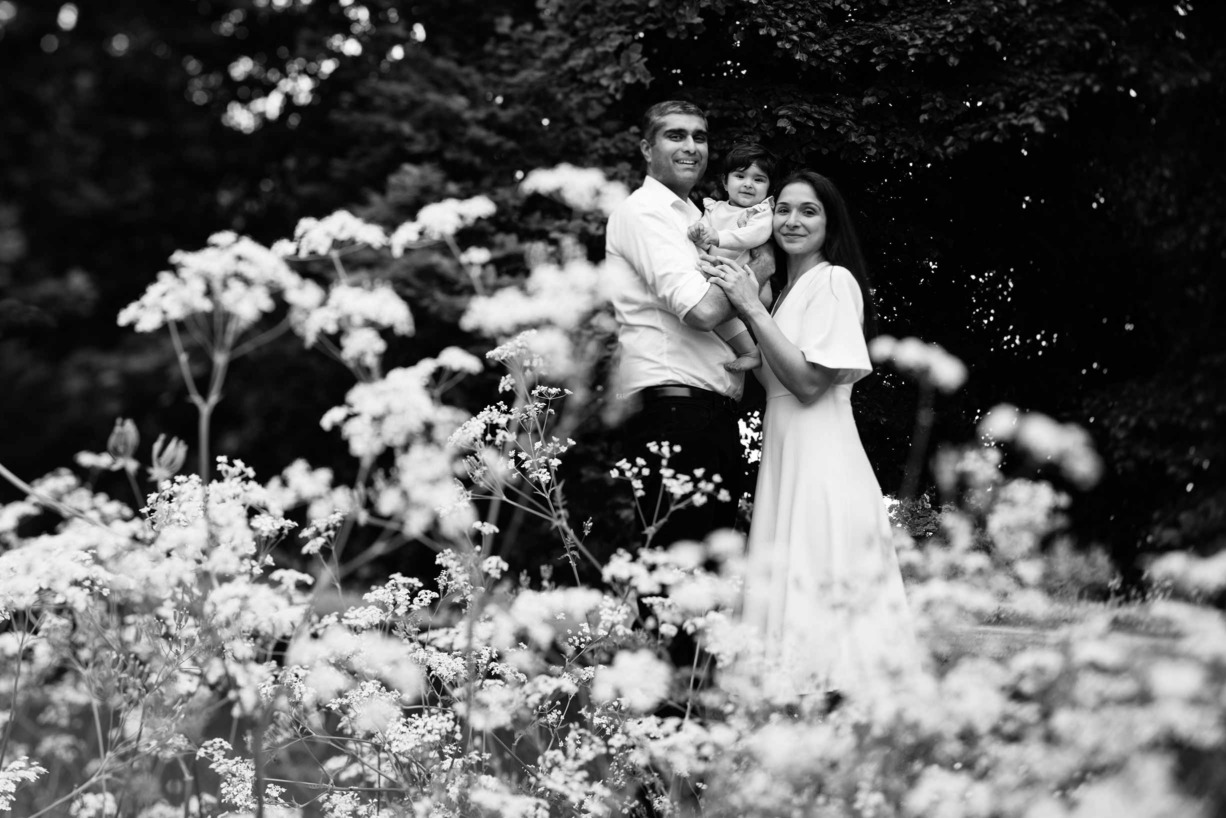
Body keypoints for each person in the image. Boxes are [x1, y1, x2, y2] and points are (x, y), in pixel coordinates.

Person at [703, 170, 920, 700]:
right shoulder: (785, 293)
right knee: (787, 576)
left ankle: (840, 705)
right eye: (785, 210)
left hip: (822, 456)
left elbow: (805, 383)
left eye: (809, 211)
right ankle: (791, 708)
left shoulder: (832, 281)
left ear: (830, 223)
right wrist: (754, 336)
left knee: (820, 575)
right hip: (785, 450)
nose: (793, 221)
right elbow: (779, 372)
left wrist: (749, 304)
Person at [605, 101, 773, 548]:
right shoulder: (645, 213)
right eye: (675, 136)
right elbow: (703, 309)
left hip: (707, 412)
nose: (692, 147)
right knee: (675, 581)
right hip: (674, 411)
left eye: (699, 137)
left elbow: (735, 304)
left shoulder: (695, 218)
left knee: (702, 583)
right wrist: (763, 267)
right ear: (646, 148)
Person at [686, 143, 778, 373]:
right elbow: (704, 237)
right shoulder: (713, 208)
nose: (748, 184)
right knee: (718, 313)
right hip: (719, 275)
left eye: (759, 179)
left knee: (722, 307)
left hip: (745, 276)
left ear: (768, 187)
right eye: (740, 176)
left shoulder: (760, 213)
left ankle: (752, 351)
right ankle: (749, 351)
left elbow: (754, 236)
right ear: (726, 182)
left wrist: (717, 237)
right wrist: (699, 234)